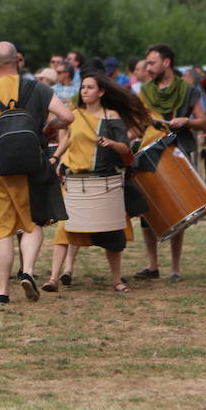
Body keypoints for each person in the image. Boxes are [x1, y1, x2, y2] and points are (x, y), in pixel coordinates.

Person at [0, 42, 73, 303]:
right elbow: (67, 117)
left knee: (3, 230)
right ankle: (26, 271)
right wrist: (50, 126)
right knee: (32, 224)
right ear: (19, 61)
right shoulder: (39, 88)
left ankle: (2, 292)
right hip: (31, 167)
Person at [44, 73, 151, 294]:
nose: (84, 91)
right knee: (64, 232)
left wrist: (111, 143)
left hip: (103, 180)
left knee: (112, 235)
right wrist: (56, 159)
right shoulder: (74, 115)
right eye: (83, 87)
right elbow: (66, 139)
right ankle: (53, 278)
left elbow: (124, 148)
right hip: (75, 181)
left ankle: (116, 280)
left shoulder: (111, 117)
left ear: (101, 92)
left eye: (90, 87)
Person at [134, 43, 206, 282]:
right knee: (147, 209)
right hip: (150, 152)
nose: (149, 68)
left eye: (152, 63)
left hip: (178, 150)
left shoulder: (187, 89)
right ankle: (152, 265)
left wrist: (186, 120)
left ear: (167, 63)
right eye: (147, 64)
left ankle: (175, 267)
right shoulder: (144, 91)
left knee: (180, 209)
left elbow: (204, 122)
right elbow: (138, 120)